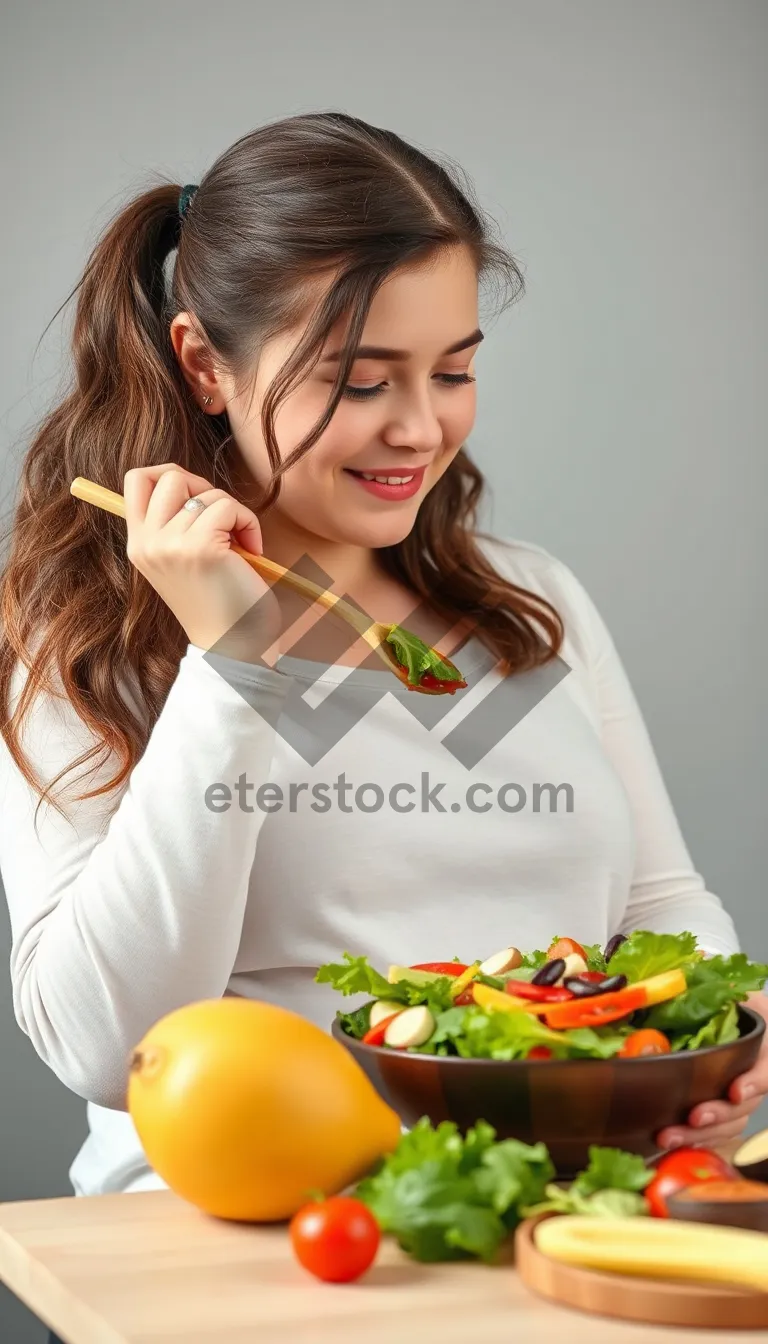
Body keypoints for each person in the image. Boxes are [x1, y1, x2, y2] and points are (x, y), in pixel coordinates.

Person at [1, 114, 766, 1343]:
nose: (421, 427)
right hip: (253, 1259)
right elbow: (108, 1045)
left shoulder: (526, 604)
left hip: (550, 1230)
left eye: (453, 370)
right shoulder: (85, 635)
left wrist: (725, 1062)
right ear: (204, 365)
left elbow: (662, 908)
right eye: (361, 382)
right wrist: (234, 665)